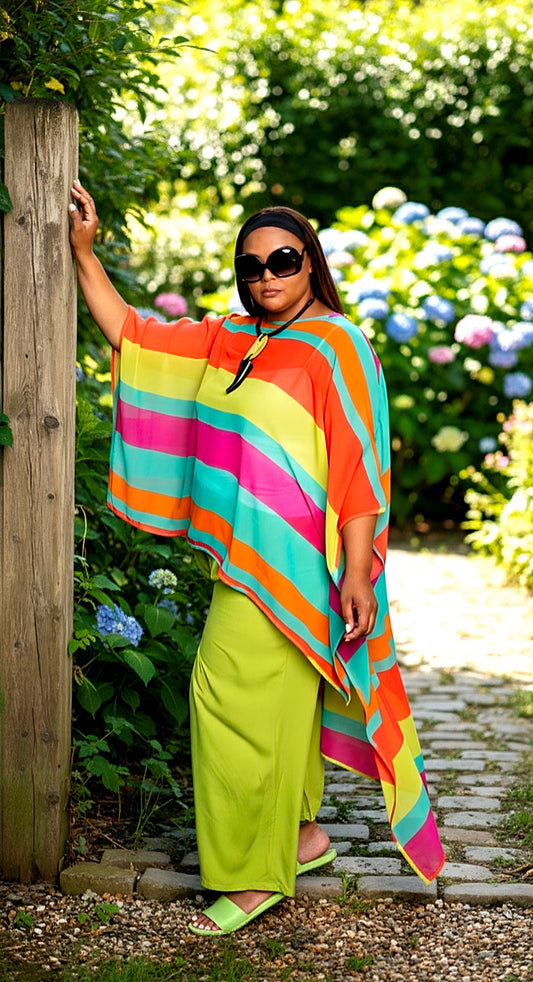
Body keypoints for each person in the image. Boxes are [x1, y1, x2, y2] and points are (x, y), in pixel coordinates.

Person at [69, 181, 445, 936]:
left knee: (226, 701)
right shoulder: (232, 338)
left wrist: (357, 572)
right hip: (243, 561)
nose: (266, 275)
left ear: (310, 262)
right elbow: (134, 337)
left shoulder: (337, 346)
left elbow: (359, 467)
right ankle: (299, 837)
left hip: (299, 568)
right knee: (273, 706)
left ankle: (250, 877)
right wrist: (84, 253)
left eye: (283, 260)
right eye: (251, 265)